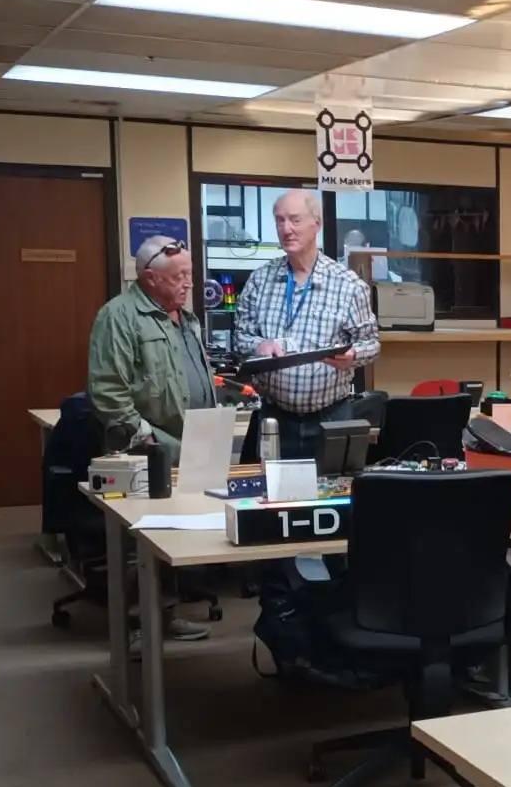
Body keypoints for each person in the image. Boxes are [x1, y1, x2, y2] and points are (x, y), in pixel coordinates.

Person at [86, 235, 217, 643]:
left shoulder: (186, 318)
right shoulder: (119, 316)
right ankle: (136, 629)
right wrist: (150, 439)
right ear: (149, 278)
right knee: (137, 541)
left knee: (168, 535)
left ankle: (165, 615)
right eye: (178, 276)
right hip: (144, 448)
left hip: (188, 445)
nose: (188, 283)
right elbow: (108, 391)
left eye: (190, 275)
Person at [234, 190, 380, 459]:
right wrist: (259, 345)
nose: (286, 229)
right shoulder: (260, 280)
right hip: (274, 419)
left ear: (317, 224)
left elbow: (371, 343)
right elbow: (240, 339)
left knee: (335, 496)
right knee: (273, 498)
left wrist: (353, 355)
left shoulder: (347, 285)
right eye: (279, 221)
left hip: (332, 418)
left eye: (295, 220)